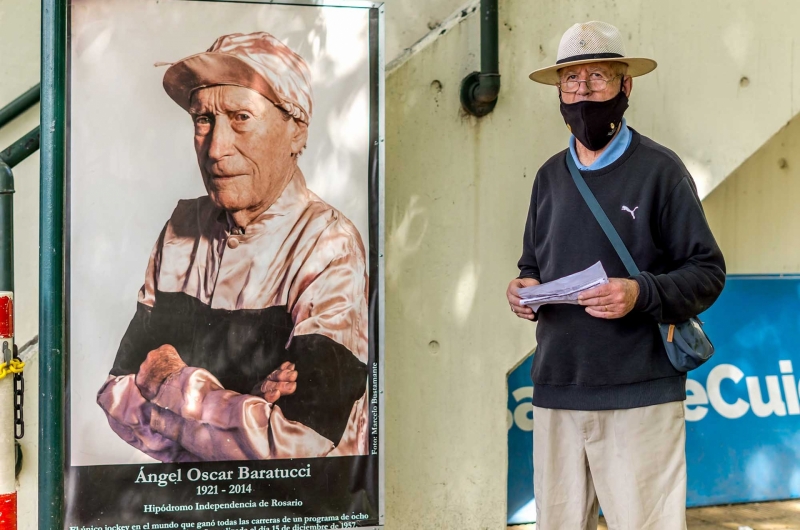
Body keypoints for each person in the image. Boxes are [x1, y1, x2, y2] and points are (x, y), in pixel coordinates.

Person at [97, 32, 369, 462]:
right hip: (194, 512)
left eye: (241, 116)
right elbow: (116, 398)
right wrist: (246, 407)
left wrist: (174, 384)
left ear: (296, 132)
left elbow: (300, 445)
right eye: (203, 120)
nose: (217, 149)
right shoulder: (181, 230)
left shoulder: (328, 242)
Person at [506, 21, 725, 529]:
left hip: (640, 393)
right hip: (558, 390)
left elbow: (707, 272)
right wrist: (521, 291)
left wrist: (640, 292)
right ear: (559, 91)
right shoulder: (548, 178)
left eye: (598, 78)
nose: (583, 92)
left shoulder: (661, 171)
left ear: (627, 86)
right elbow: (531, 268)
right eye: (572, 80)